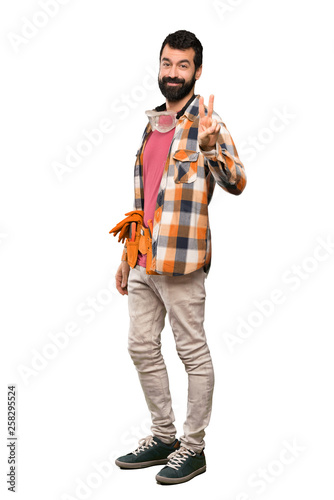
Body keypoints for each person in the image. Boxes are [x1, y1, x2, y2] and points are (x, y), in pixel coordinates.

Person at [111, 29, 246, 485]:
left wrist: (209, 149)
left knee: (192, 352)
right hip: (144, 259)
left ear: (198, 71)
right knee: (140, 347)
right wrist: (128, 255)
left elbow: (237, 182)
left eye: (182, 65)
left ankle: (194, 448)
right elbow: (146, 197)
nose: (172, 73)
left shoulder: (207, 123)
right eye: (167, 63)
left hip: (183, 262)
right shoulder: (153, 124)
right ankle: (164, 436)